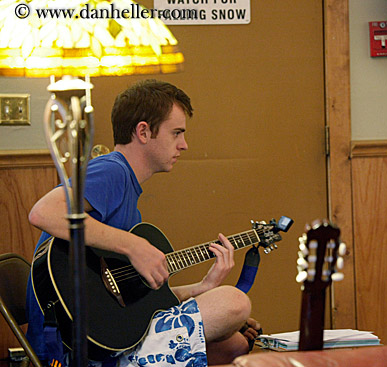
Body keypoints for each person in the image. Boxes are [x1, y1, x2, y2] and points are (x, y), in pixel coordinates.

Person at [26, 79, 261, 366]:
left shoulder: (129, 201)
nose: (184, 145)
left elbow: (133, 307)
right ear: (143, 131)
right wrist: (133, 246)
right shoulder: (112, 170)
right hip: (74, 348)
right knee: (235, 303)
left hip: (105, 334)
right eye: (176, 133)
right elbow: (43, 212)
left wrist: (201, 287)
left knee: (233, 343)